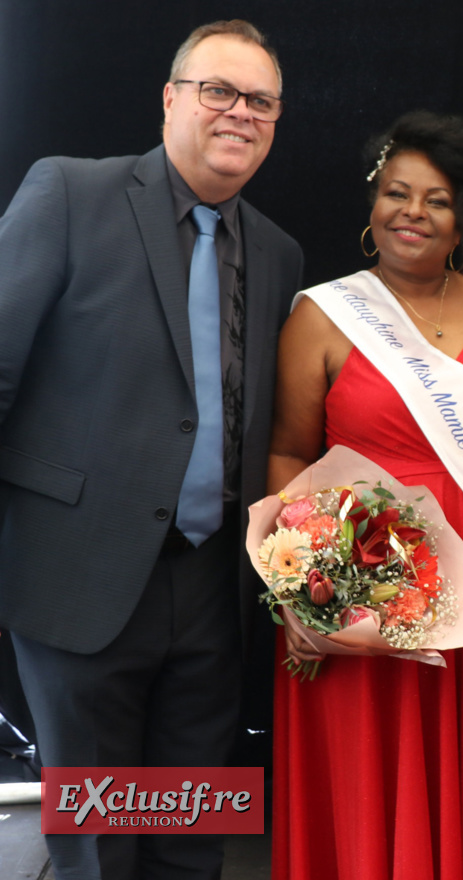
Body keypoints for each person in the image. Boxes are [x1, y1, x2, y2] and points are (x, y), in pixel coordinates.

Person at [0, 20, 301, 879]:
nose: (239, 112)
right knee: (97, 842)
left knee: (191, 836)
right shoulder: (67, 194)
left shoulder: (278, 252)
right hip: (78, 580)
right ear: (170, 98)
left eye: (261, 101)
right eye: (218, 91)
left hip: (212, 592)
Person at [266, 111, 463, 880]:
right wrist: (299, 592)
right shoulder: (322, 314)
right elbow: (287, 450)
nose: (413, 212)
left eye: (436, 199)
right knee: (367, 772)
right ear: (373, 207)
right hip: (363, 571)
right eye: (396, 193)